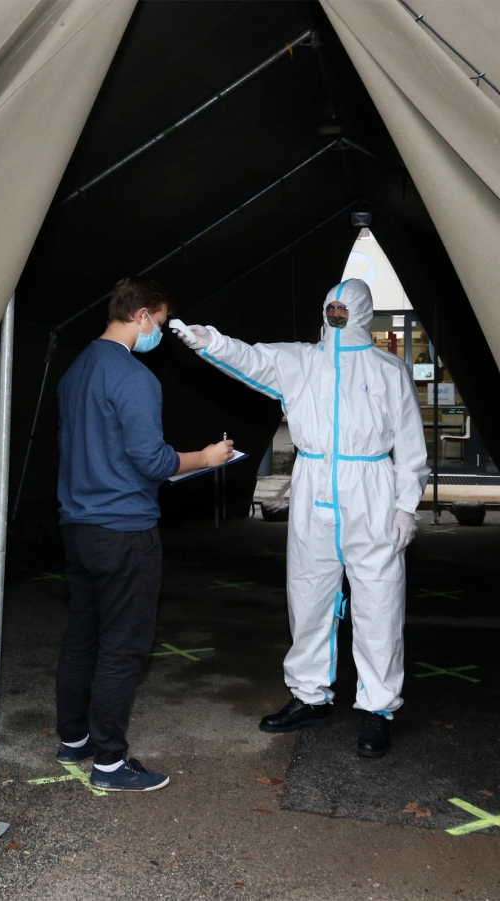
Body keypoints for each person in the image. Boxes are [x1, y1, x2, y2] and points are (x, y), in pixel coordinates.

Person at [172, 278, 428, 758]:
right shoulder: (302, 361)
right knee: (308, 593)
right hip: (313, 485)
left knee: (379, 601)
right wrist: (212, 343)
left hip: (370, 487)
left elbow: (412, 443)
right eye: (331, 307)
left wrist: (405, 505)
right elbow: (253, 359)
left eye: (344, 309)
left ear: (361, 312)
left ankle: (378, 708)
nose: (336, 315)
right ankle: (310, 695)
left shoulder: (388, 370)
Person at [55, 277, 235, 792]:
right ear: (141, 316)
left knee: (82, 637)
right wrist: (207, 457)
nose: (160, 331)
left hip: (78, 527)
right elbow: (153, 461)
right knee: (122, 647)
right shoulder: (134, 377)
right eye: (160, 321)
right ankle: (110, 765)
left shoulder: (75, 370)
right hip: (124, 531)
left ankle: (74, 740)